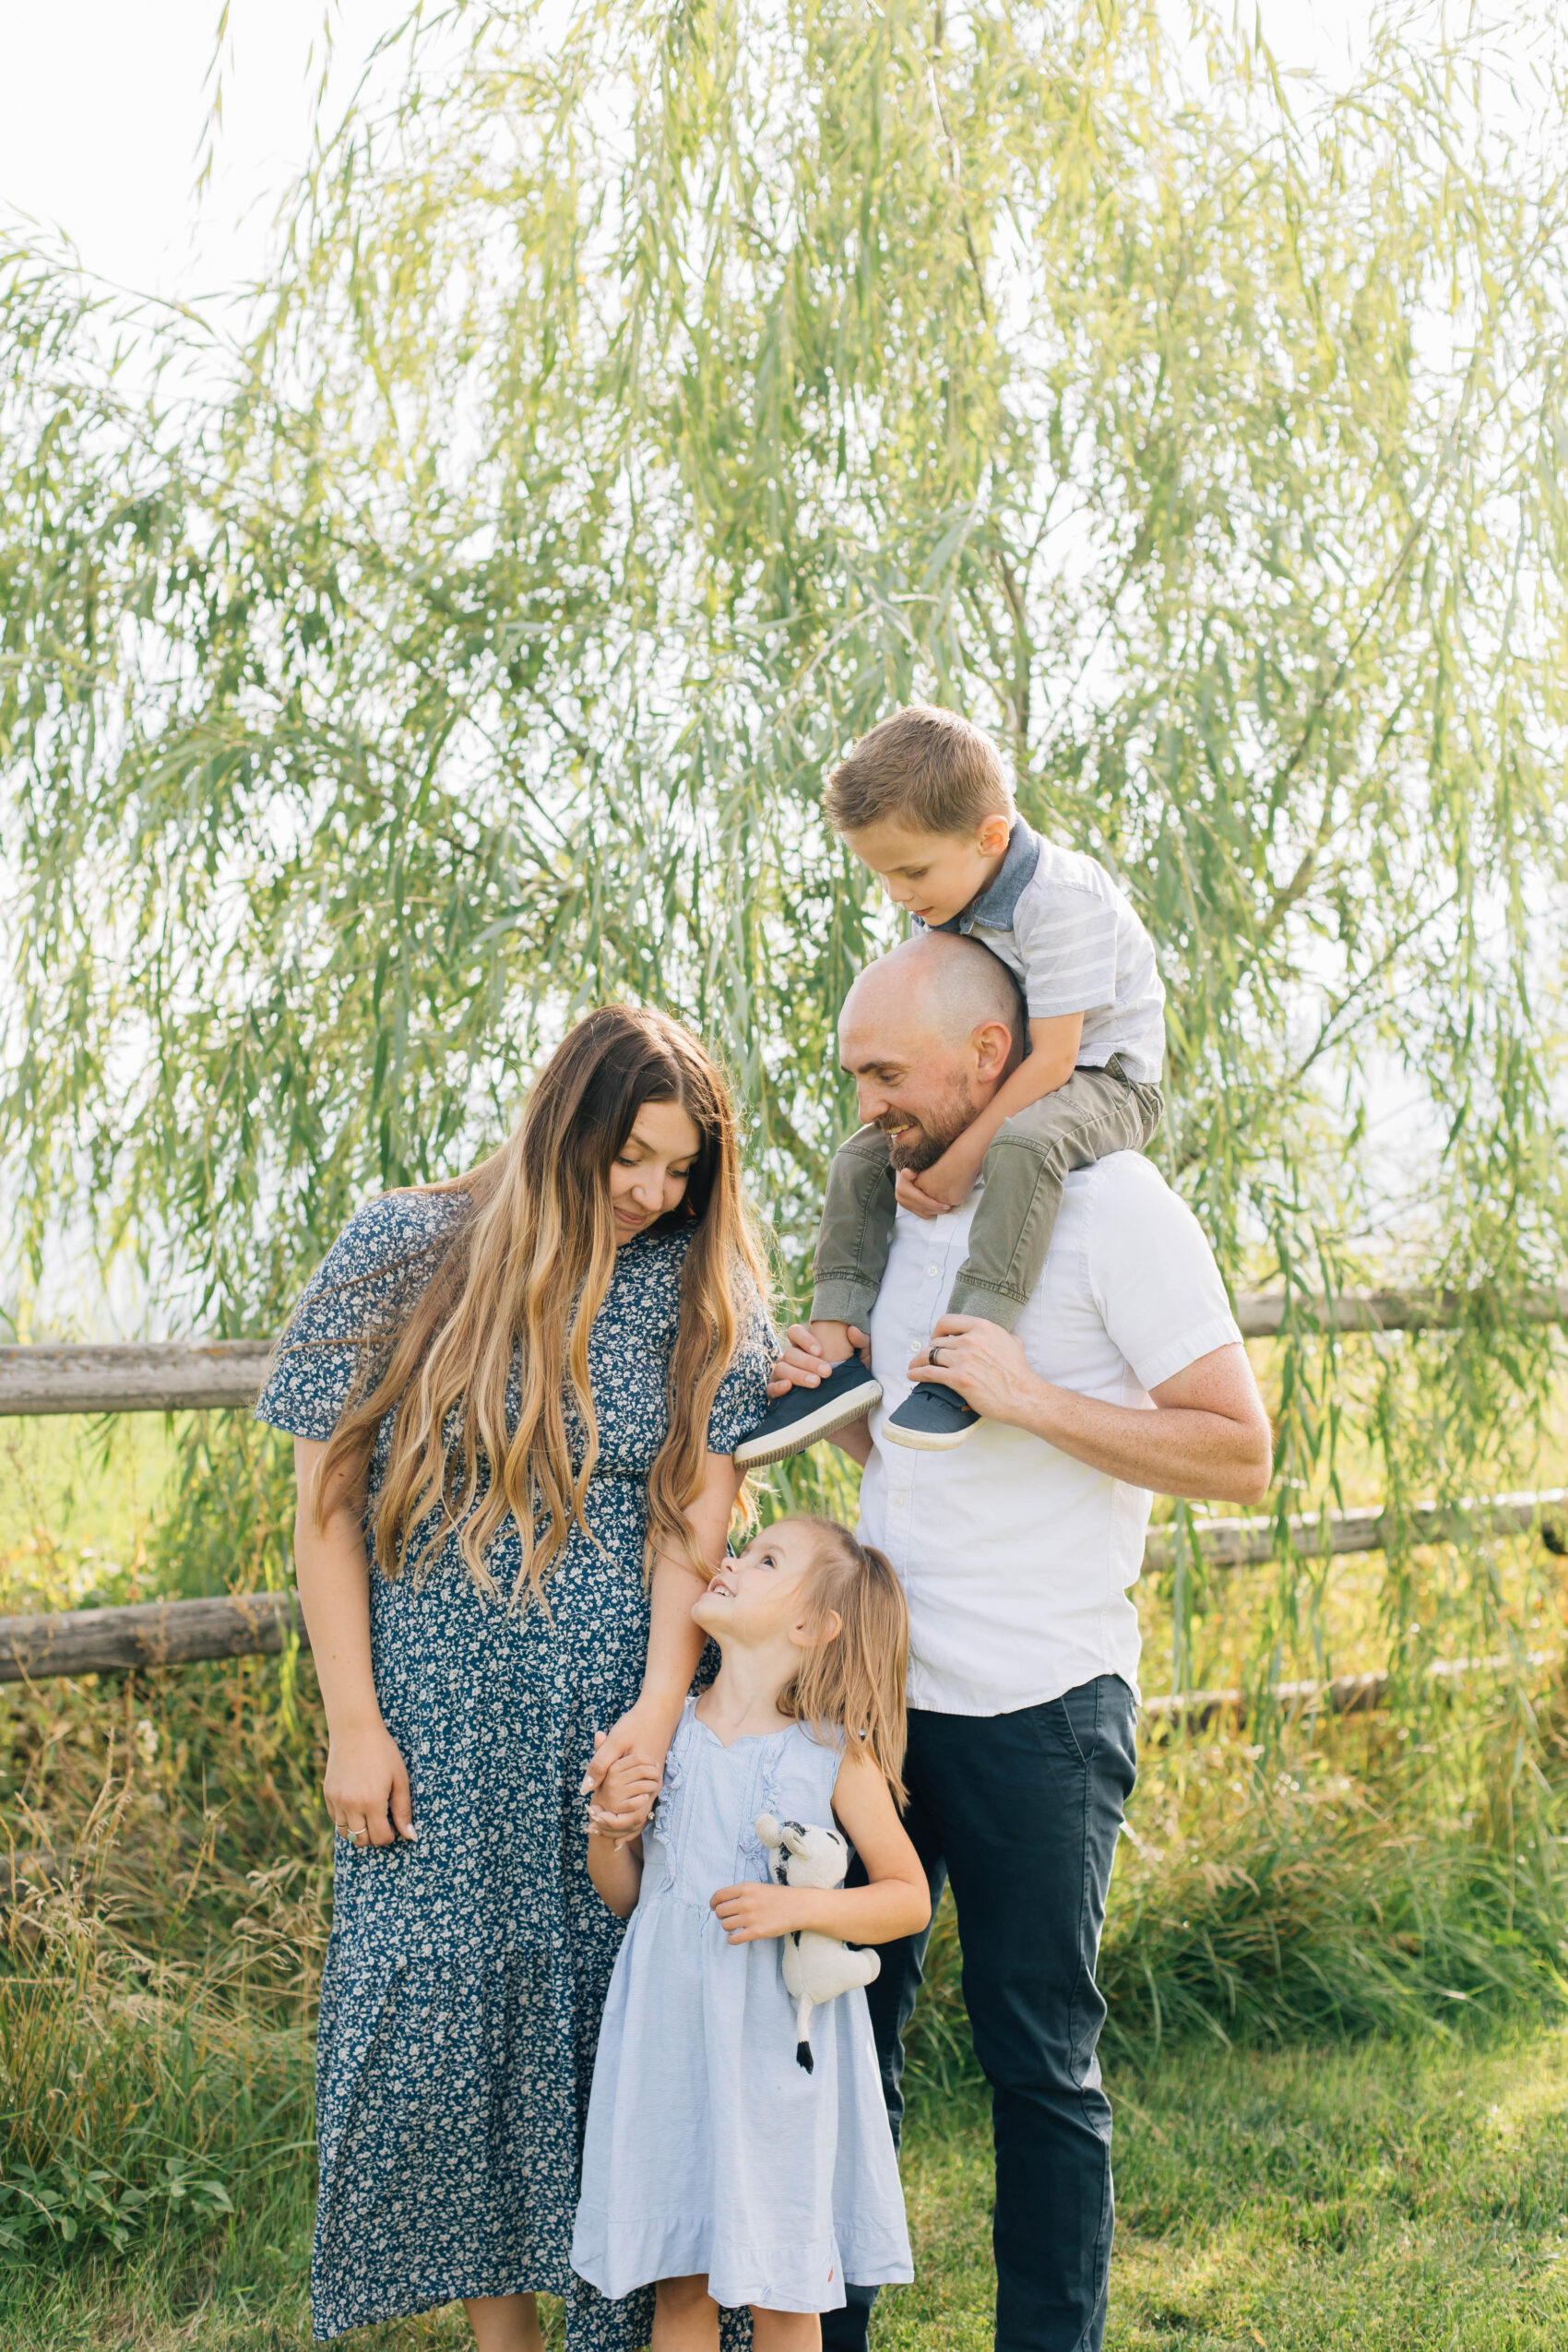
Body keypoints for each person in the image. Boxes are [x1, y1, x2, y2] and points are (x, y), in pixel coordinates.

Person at [767, 932, 1273, 2352]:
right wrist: (834, 1395)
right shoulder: (900, 1216)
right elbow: (912, 1456)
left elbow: (1241, 1450)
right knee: (838, 2039)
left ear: (992, 1054)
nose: (866, 1099)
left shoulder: (1116, 1210)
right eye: (856, 1070)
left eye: (887, 1069)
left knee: (1037, 2062)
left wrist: (1035, 1395)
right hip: (870, 1707)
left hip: (1042, 1708)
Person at [254, 1005, 776, 2352]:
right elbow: (325, 1508)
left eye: (682, 1170)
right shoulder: (399, 1250)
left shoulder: (690, 1281)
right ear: (566, 1126)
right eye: (634, 1160)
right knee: (450, 2008)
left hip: (611, 1702)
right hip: (429, 1707)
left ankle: (637, 2323)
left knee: (625, 2012)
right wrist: (353, 1722)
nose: (656, 1194)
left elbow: (692, 1520)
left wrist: (661, 1704)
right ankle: (506, 2335)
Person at [738, 704, 1164, 1465]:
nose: (900, 894)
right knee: (862, 1155)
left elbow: (1055, 1063)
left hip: (1107, 1077)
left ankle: (968, 1353)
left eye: (911, 871)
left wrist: (964, 1156)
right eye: (883, 876)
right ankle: (836, 1351)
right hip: (1014, 1065)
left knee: (1025, 1146)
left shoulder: (1062, 900)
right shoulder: (950, 899)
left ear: (990, 837)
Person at [571, 1515, 929, 2350]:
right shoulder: (667, 1735)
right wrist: (606, 1832)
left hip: (776, 2054)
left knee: (784, 2287)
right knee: (680, 2282)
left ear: (811, 1626)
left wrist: (798, 1909)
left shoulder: (833, 1752)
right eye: (744, 1549)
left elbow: (907, 1898)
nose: (730, 1561)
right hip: (670, 2035)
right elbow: (631, 1898)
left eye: (765, 1559)